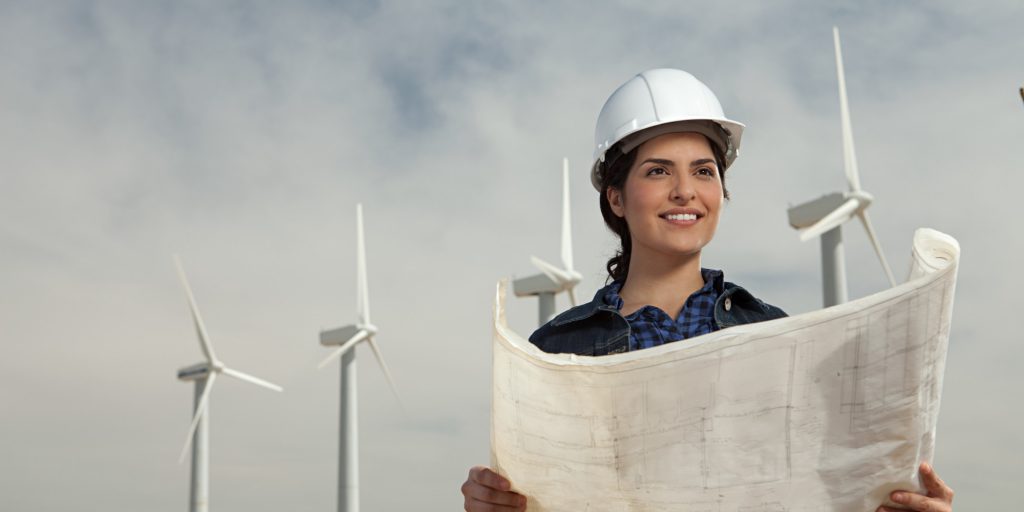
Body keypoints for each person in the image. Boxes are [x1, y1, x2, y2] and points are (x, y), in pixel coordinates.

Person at [461, 69, 954, 512]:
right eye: (658, 171)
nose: (685, 191)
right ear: (615, 197)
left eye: (703, 171)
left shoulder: (775, 333)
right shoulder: (553, 353)